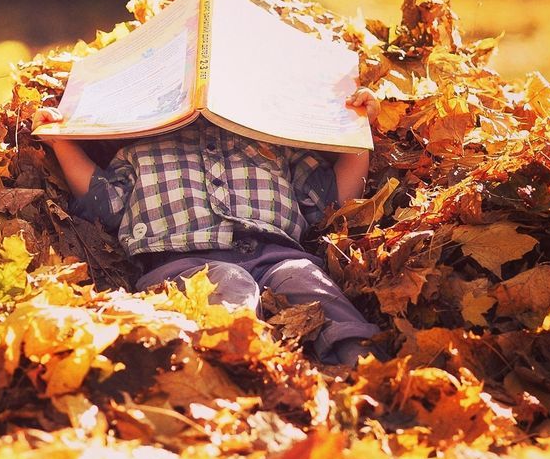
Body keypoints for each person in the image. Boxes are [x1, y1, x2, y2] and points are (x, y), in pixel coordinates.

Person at [32, 88, 382, 367]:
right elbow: (102, 204)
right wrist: (62, 142)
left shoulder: (270, 140)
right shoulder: (140, 147)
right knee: (230, 283)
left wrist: (357, 130)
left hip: (277, 254)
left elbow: (333, 198)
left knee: (306, 279)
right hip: (180, 263)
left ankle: (366, 372)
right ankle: (231, 372)